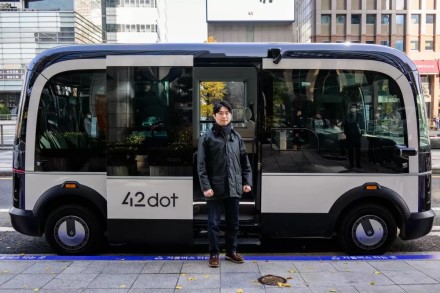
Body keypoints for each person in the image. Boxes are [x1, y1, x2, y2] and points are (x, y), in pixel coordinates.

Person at [197, 100, 253, 268]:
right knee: (213, 223)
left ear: (231, 115)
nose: (224, 116)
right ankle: (214, 254)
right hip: (214, 188)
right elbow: (201, 164)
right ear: (214, 116)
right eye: (220, 113)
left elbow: (245, 162)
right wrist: (206, 187)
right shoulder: (207, 137)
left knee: (233, 223)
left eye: (227, 113)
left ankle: (231, 251)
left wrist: (246, 181)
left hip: (234, 186)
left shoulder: (236, 137)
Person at [343, 104, 364, 169]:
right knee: (350, 151)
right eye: (352, 107)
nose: (353, 109)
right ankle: (351, 165)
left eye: (354, 107)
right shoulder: (348, 116)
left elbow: (362, 124)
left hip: (357, 135)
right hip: (350, 136)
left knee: (358, 151)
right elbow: (345, 125)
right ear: (350, 109)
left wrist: (362, 132)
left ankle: (358, 164)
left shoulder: (360, 115)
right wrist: (346, 134)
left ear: (356, 108)